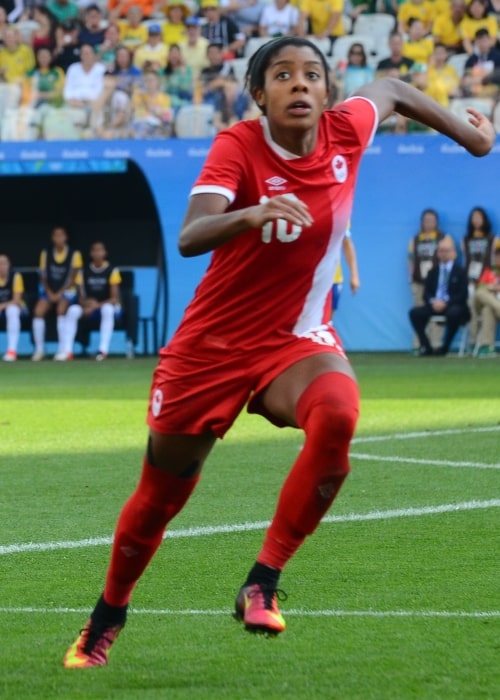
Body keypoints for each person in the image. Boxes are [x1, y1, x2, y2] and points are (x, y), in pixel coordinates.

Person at [62, 35, 494, 669]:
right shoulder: (238, 146)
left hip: (296, 340)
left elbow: (396, 91)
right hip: (212, 347)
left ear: (326, 92)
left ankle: (261, 581)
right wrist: (251, 213)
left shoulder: (348, 130)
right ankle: (107, 616)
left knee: (340, 414)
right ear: (258, 95)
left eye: (312, 75)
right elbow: (191, 234)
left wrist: (473, 137)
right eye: (283, 75)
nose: (299, 84)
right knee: (160, 497)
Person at [409, 236, 471, 356]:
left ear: (453, 252)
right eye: (441, 251)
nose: (444, 254)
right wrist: (434, 302)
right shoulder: (433, 271)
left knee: (454, 313)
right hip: (435, 305)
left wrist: (446, 303)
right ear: (437, 253)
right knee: (414, 313)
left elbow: (463, 294)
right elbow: (426, 293)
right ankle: (426, 346)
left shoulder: (460, 271)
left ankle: (445, 347)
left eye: (447, 251)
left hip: (454, 306)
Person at [62, 241, 122, 361]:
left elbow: (114, 298)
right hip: (87, 307)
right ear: (91, 253)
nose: (97, 253)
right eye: (95, 250)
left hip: (105, 306)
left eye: (100, 250)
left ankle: (103, 351)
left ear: (105, 253)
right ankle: (67, 351)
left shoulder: (112, 271)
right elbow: (80, 297)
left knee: (108, 309)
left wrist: (96, 306)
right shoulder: (83, 272)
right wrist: (85, 304)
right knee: (73, 310)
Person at [32, 225, 82, 362]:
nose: (58, 238)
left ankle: (62, 348)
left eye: (61, 235)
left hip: (67, 291)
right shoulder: (46, 253)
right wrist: (49, 292)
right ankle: (40, 349)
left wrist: (60, 293)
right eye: (56, 235)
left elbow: (73, 277)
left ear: (66, 237)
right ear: (52, 238)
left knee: (61, 309)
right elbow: (43, 275)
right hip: (50, 291)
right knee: (38, 311)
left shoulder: (74, 254)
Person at [407, 208, 445, 351]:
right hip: (419, 282)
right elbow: (410, 261)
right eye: (426, 221)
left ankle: (436, 343)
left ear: (436, 222)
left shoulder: (442, 238)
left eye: (432, 221)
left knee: (437, 313)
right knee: (418, 313)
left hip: (437, 284)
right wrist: (411, 279)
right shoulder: (415, 240)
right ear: (422, 223)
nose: (429, 223)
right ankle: (419, 344)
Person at [461, 205, 499, 349]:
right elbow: (465, 260)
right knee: (471, 309)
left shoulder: (493, 239)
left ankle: (483, 344)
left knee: (487, 309)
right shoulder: (465, 240)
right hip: (471, 281)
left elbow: (495, 262)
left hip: (489, 281)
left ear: (485, 219)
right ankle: (473, 339)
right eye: (473, 218)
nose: (476, 220)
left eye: (479, 217)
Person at [472, 246, 500, 357]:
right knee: (480, 292)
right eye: (498, 256)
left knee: (487, 310)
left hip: (491, 308)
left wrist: (494, 288)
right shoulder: (489, 271)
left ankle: (486, 347)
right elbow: (481, 288)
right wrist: (494, 288)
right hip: (488, 301)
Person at [330, 226, 360, 321]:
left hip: (333, 278)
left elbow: (346, 242)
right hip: (307, 278)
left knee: (326, 323)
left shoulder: (340, 212)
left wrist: (354, 275)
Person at [0, 253, 25, 362]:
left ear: (9, 265)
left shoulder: (16, 276)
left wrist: (2, 306)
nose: (2, 266)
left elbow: (16, 300)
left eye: (4, 263)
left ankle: (12, 350)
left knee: (12, 310)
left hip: (15, 308)